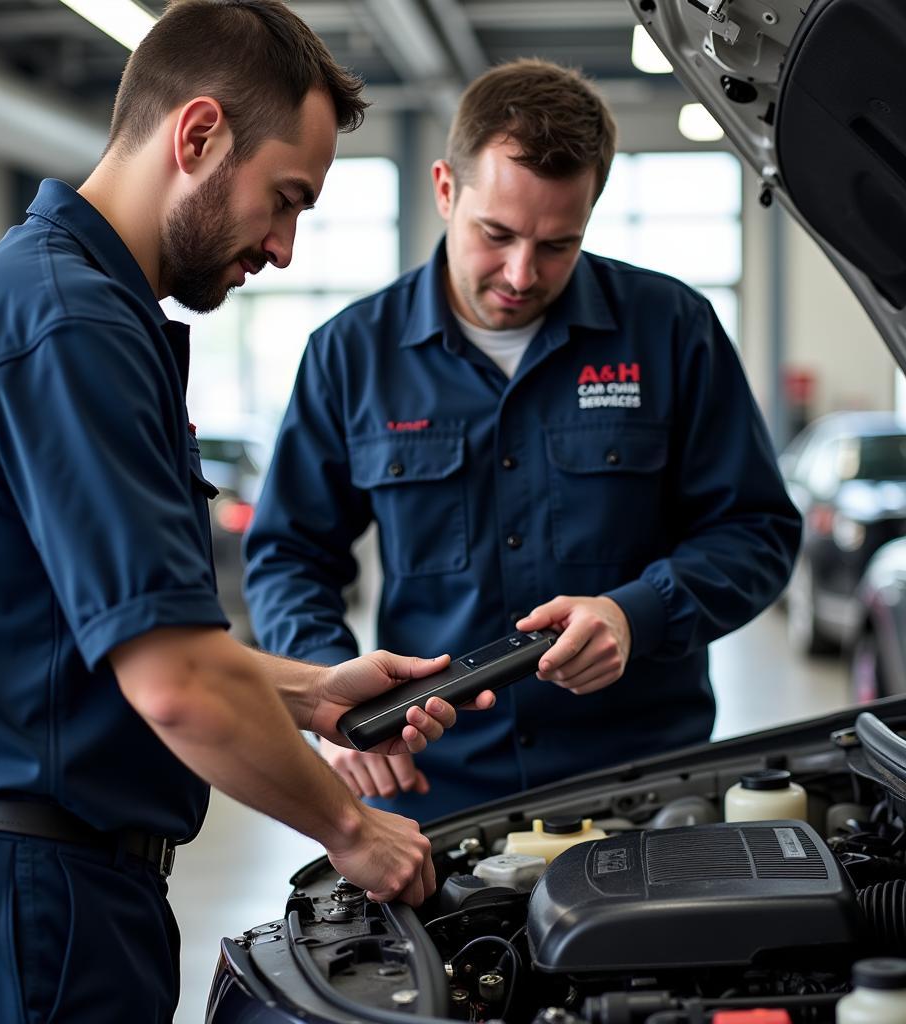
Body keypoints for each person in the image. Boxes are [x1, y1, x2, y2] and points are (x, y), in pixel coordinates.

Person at [0, 3, 495, 1021]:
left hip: (25, 886)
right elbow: (174, 685)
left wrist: (314, 691)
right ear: (198, 134)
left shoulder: (60, 302)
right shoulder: (70, 323)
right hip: (27, 905)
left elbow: (106, 643)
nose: (287, 247)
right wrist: (351, 827)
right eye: (283, 199)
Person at [244, 58, 802, 821]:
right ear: (446, 188)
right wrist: (326, 693)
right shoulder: (351, 355)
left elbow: (757, 532)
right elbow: (290, 557)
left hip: (643, 785)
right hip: (436, 791)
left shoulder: (673, 330)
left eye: (557, 245)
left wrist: (637, 613)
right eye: (496, 234)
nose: (519, 272)